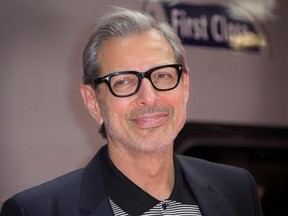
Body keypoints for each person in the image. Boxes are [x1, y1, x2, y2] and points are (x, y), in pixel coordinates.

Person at [1, 7, 263, 216]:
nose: (148, 98)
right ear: (93, 102)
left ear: (184, 87)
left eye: (161, 75)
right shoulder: (36, 210)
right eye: (123, 81)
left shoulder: (237, 190)